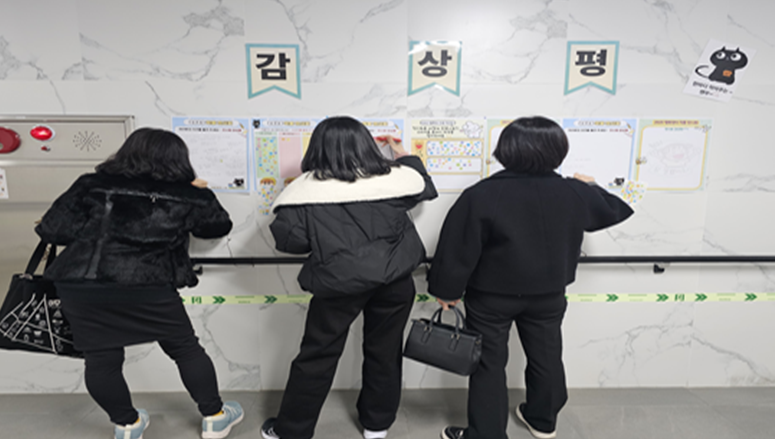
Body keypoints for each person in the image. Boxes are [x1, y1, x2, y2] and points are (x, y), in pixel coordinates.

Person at [428, 116, 634, 439]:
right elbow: (615, 209)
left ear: (506, 150)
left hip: (491, 297)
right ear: (558, 151)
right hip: (549, 295)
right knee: (547, 356)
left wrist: (447, 290)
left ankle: (486, 435)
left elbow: (458, 245)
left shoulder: (482, 194)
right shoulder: (573, 192)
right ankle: (542, 420)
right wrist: (590, 186)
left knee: (488, 364)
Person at [35, 128, 244, 439]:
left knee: (101, 359)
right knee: (185, 349)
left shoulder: (91, 184)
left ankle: (127, 424)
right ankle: (214, 417)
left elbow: (53, 230)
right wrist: (201, 193)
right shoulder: (187, 193)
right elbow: (216, 227)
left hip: (82, 283)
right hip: (148, 283)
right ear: (179, 159)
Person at [261, 116, 438, 439]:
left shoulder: (304, 192)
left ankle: (293, 431)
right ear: (366, 145)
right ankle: (376, 426)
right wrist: (402, 154)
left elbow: (290, 242)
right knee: (385, 352)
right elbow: (424, 186)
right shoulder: (392, 182)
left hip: (337, 286)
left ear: (318, 148)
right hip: (395, 283)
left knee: (318, 355)